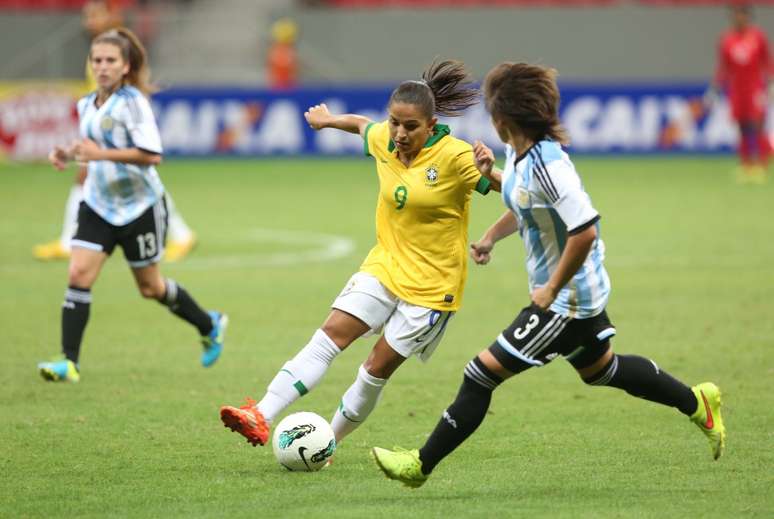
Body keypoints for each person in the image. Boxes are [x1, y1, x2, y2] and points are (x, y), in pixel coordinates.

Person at [371, 62, 726, 488]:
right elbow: (526, 207)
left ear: (503, 120)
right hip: (576, 292)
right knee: (602, 371)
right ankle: (697, 402)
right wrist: (488, 236)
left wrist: (552, 288)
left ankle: (419, 465)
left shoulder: (549, 167)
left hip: (565, 301)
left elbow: (585, 230)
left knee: (479, 373)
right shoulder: (519, 157)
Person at [219, 59, 499, 450]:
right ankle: (260, 414)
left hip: (433, 288)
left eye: (410, 126)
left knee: (373, 370)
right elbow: (362, 125)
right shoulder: (386, 138)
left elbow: (511, 190)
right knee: (328, 337)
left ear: (431, 125)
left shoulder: (455, 157)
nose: (399, 134)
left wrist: (492, 172)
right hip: (385, 265)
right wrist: (329, 119)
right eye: (395, 123)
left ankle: (327, 443)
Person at [37, 28, 227, 383]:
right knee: (78, 273)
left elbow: (152, 155)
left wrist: (99, 154)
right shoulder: (86, 103)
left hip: (140, 208)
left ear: (125, 66)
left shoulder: (134, 104)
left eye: (111, 60)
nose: (103, 67)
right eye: (97, 60)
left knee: (150, 288)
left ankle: (209, 323)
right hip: (98, 204)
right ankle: (69, 360)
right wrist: (68, 151)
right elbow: (92, 143)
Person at [33, 0, 197, 262]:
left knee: (108, 174)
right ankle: (182, 233)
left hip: (123, 121)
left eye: (94, 15)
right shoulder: (100, 49)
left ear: (111, 16)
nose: (88, 21)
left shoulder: (121, 48)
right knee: (140, 177)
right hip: (106, 120)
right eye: (86, 16)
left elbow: (136, 86)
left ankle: (68, 241)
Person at [705, 2, 771, 184]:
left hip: (755, 88)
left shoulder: (758, 37)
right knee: (741, 127)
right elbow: (723, 68)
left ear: (748, 17)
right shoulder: (726, 40)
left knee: (756, 125)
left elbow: (767, 62)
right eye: (735, 15)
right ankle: (746, 165)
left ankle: (762, 164)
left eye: (742, 14)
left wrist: (771, 84)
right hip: (737, 90)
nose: (738, 18)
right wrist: (714, 88)